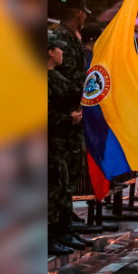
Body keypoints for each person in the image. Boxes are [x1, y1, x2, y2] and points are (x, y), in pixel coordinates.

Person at [47, 35, 90, 255]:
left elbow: (75, 91)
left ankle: (62, 230)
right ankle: (50, 235)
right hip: (50, 142)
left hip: (61, 142)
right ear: (49, 53)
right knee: (53, 189)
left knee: (63, 187)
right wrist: (68, 119)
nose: (63, 53)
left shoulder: (56, 76)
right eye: (59, 49)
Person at [52, 0, 90, 205]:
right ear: (79, 13)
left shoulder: (70, 37)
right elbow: (65, 77)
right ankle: (60, 224)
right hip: (63, 116)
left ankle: (65, 218)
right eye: (84, 13)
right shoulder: (61, 39)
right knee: (64, 172)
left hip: (73, 114)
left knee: (73, 168)